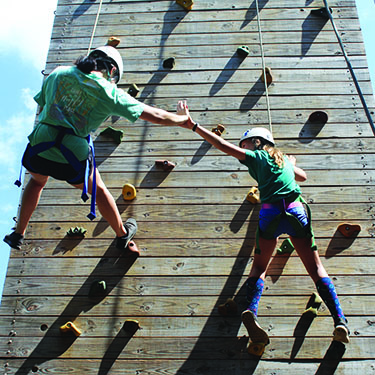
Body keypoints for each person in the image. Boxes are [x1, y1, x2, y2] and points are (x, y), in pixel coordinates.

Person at [177, 101, 349, 344]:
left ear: (257, 142)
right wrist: (292, 164)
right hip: (295, 210)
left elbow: (222, 145)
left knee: (259, 268)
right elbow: (303, 177)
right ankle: (340, 320)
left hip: (270, 214)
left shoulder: (256, 156)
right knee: (316, 269)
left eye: (245, 142)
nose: (242, 146)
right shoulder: (283, 161)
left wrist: (192, 125)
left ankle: (252, 312)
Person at [3, 46, 190, 252]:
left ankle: (18, 233)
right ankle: (122, 234)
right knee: (99, 190)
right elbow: (156, 115)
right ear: (111, 70)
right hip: (72, 152)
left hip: (41, 144)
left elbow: (43, 106)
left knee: (37, 182)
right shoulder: (110, 92)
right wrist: (182, 118)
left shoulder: (59, 73)